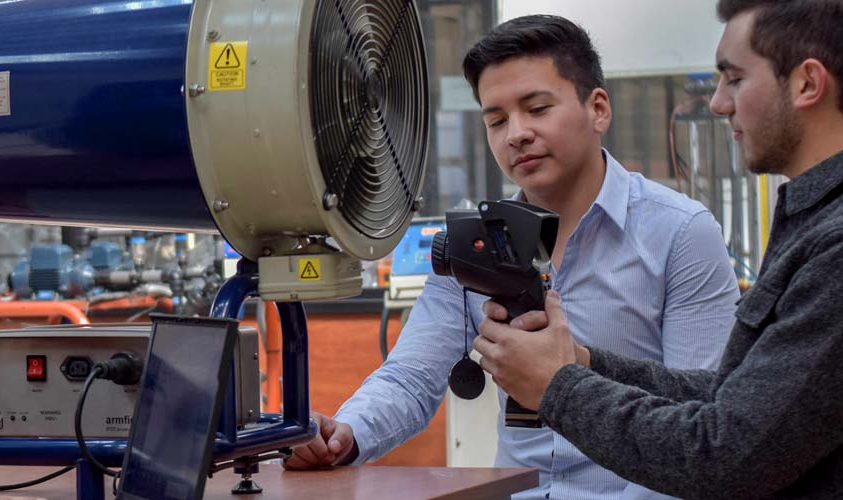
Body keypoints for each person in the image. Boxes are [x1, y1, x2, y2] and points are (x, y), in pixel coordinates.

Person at [473, 1, 843, 498]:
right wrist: (581, 364)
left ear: (807, 83)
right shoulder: (833, 216)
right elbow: (728, 399)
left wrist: (557, 387)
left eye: (734, 78)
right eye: (496, 119)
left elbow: (722, 456)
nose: (718, 103)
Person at [285, 15, 741, 500]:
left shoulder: (682, 234)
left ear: (598, 109)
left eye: (537, 108)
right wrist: (346, 434)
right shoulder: (471, 247)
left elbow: (702, 413)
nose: (516, 134)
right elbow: (411, 377)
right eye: (496, 120)